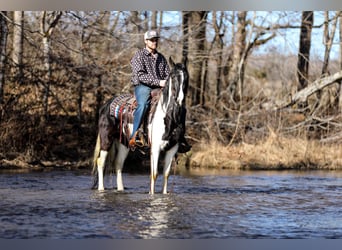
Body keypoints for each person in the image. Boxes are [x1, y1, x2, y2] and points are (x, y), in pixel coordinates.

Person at [129, 30, 191, 153]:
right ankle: (135, 135)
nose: (154, 42)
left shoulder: (161, 58)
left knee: (179, 106)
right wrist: (159, 82)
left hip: (159, 88)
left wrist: (167, 83)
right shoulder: (139, 55)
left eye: (156, 39)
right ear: (146, 41)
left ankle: (180, 137)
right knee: (143, 104)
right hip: (142, 86)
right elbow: (140, 75)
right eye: (152, 40)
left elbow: (167, 74)